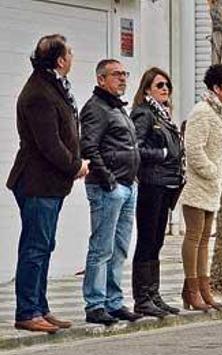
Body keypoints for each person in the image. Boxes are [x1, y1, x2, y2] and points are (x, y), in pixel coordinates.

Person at [7, 34, 89, 333]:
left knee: (44, 245)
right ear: (59, 60)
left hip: (49, 183)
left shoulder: (52, 86)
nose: (72, 57)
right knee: (35, 247)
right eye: (69, 53)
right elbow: (49, 144)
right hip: (36, 181)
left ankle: (40, 307)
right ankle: (27, 311)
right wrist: (75, 165)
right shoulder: (39, 93)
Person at [80, 59, 141, 325]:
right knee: (101, 248)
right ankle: (95, 304)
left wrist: (131, 180)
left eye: (124, 74)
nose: (122, 78)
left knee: (119, 248)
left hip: (128, 186)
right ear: (101, 79)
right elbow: (89, 147)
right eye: (116, 74)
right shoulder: (96, 108)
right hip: (108, 188)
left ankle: (113, 301)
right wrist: (109, 181)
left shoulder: (117, 108)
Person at [178, 63, 222, 311]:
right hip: (197, 184)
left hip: (213, 186)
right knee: (194, 236)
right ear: (216, 87)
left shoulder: (221, 113)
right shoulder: (202, 111)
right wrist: (212, 172)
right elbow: (193, 148)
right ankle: (193, 290)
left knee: (204, 239)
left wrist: (220, 178)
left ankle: (203, 288)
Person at [129, 67, 186, 318]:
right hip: (152, 183)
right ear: (147, 89)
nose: (165, 90)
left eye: (167, 86)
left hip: (167, 185)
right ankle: (142, 298)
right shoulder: (144, 114)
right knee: (147, 239)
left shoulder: (163, 115)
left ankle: (154, 294)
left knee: (158, 241)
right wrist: (162, 154)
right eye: (159, 85)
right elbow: (136, 148)